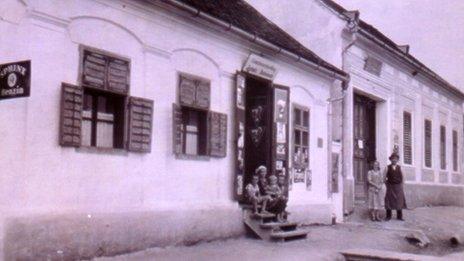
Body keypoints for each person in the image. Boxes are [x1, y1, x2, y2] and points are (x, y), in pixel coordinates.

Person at [384, 152, 407, 221]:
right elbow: (384, 177)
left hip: (398, 186)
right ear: (390, 160)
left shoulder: (400, 168)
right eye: (393, 159)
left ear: (397, 160)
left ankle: (399, 216)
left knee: (399, 201)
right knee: (388, 201)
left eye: (395, 159)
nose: (394, 160)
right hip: (390, 186)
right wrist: (387, 185)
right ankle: (388, 216)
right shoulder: (387, 167)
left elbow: (403, 177)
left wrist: (401, 185)